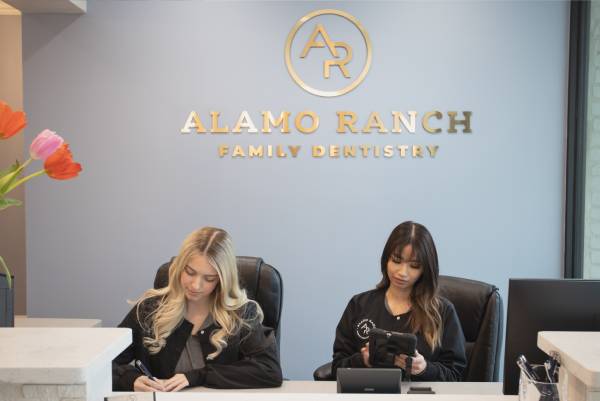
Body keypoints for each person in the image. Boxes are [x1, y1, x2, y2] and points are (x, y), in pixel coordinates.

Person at [112, 227, 283, 392]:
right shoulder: (149, 310)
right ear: (180, 267)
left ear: (222, 280)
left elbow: (269, 370)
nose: (195, 285)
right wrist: (130, 379)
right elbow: (105, 362)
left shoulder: (241, 314)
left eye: (209, 279)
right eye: (190, 272)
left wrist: (198, 376)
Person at [331, 221, 466, 381]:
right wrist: (362, 360)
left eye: (414, 266)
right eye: (396, 260)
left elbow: (456, 375)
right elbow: (336, 368)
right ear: (386, 259)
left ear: (425, 270)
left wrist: (424, 369)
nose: (402, 272)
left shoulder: (443, 312)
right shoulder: (359, 305)